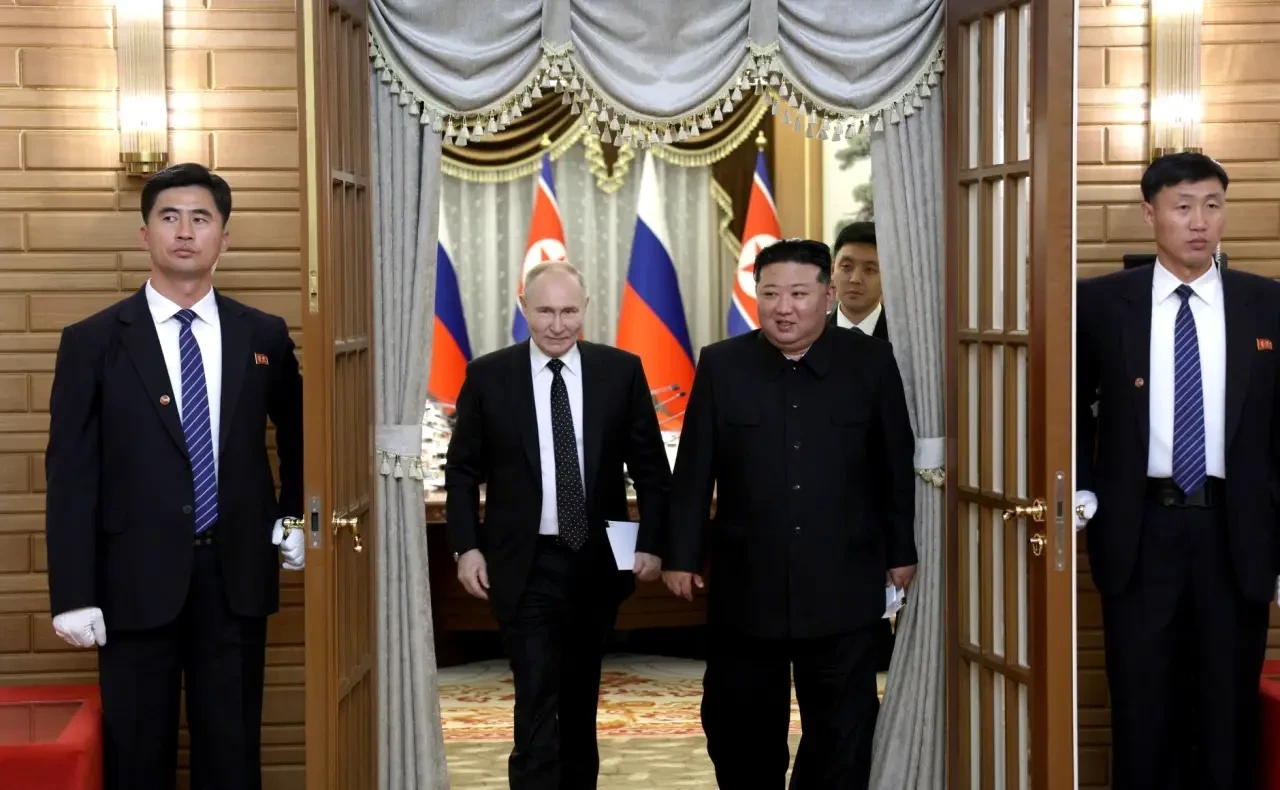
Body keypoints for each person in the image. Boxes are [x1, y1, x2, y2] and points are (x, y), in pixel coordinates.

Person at [44, 162, 305, 790]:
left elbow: (304, 438)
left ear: (224, 238)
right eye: (169, 217)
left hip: (235, 576)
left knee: (232, 756)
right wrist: (73, 592)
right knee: (137, 757)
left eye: (200, 218)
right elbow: (70, 473)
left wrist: (294, 515)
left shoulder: (263, 335)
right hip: (131, 582)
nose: (185, 231)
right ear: (145, 235)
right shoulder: (93, 341)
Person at [663, 239, 917, 789]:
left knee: (843, 729)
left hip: (843, 580)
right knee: (738, 726)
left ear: (827, 297)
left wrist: (902, 551)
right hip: (748, 585)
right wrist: (680, 555)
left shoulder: (871, 362)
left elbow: (895, 464)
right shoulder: (722, 364)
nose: (784, 308)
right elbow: (694, 471)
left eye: (799, 294)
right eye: (770, 294)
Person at [1076, 151, 1279, 789]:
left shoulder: (1266, 303)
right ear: (1150, 214)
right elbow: (1069, 408)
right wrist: (1083, 489)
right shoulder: (1101, 303)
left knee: (1227, 708)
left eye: (1212, 206)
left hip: (1235, 533)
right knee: (1142, 705)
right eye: (1183, 206)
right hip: (1141, 531)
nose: (1199, 221)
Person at [444, 260, 671, 790]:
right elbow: (462, 472)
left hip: (596, 560)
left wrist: (654, 543)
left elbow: (651, 471)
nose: (558, 324)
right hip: (524, 563)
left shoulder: (620, 371)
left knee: (580, 699)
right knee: (536, 697)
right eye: (545, 311)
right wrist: (466, 548)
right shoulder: (489, 375)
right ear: (523, 307)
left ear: (585, 308)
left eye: (569, 311)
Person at [827, 221, 886, 340]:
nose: (855, 279)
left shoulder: (906, 336)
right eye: (846, 266)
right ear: (833, 270)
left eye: (869, 269)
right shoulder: (808, 336)